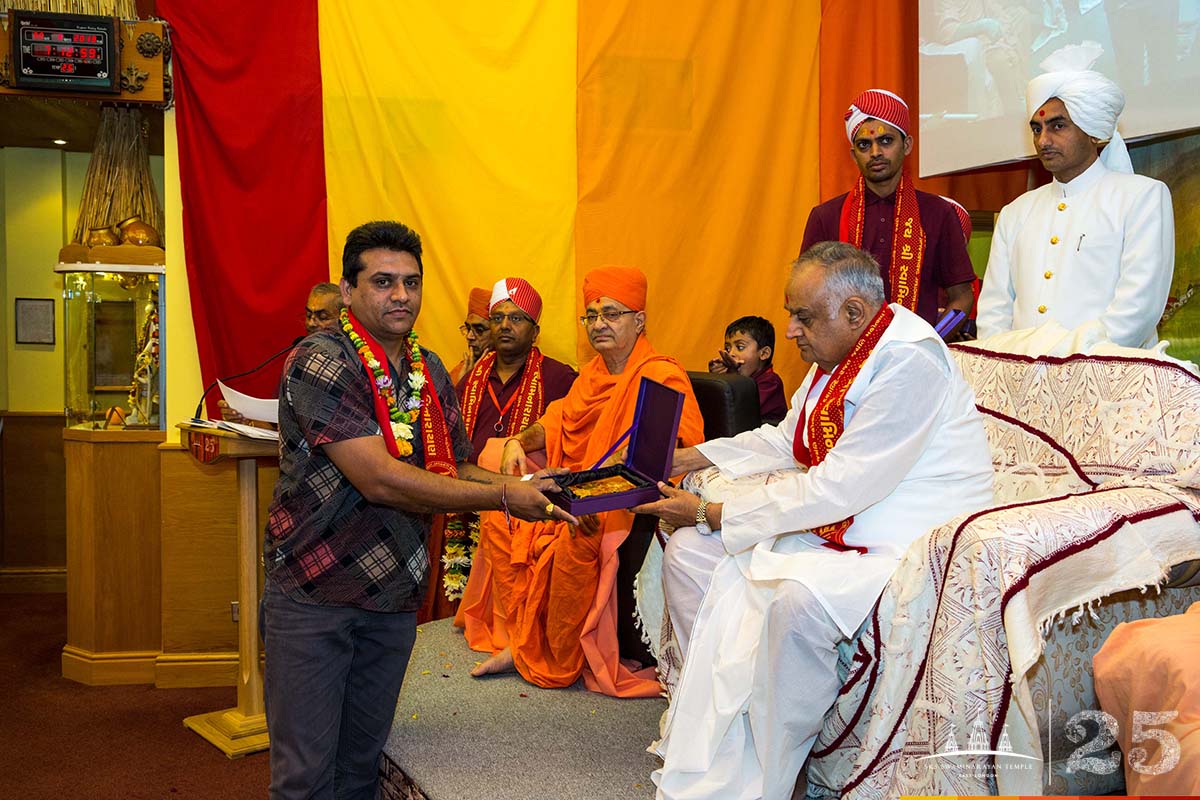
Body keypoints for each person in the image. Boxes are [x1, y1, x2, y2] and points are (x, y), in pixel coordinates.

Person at [634, 242, 994, 800]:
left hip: (900, 531)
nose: (792, 330)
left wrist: (712, 511)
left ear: (853, 313)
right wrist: (694, 458)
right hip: (842, 517)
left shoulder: (907, 358)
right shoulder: (838, 356)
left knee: (796, 605)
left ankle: (781, 773)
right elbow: (785, 440)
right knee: (688, 555)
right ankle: (719, 728)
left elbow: (841, 485)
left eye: (803, 316)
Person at [260, 220, 576, 800]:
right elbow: (380, 479)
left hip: (393, 597)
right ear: (349, 290)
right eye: (383, 282)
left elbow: (452, 464)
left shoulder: (428, 370)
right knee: (304, 776)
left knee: (360, 768)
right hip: (315, 593)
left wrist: (529, 483)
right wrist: (506, 497)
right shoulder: (322, 360)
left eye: (411, 282)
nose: (400, 295)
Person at [467, 265, 705, 698]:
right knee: (501, 509)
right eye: (591, 315)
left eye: (611, 314)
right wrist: (518, 441)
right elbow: (556, 422)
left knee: (575, 535)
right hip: (574, 483)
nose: (599, 324)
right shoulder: (592, 374)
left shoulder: (661, 374)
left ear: (639, 321)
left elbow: (681, 450)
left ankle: (554, 659)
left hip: (619, 501)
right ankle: (521, 641)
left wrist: (605, 477)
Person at [976, 52, 1175, 348]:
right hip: (1022, 382)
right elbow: (994, 311)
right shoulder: (1015, 213)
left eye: (1058, 126)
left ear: (1093, 132)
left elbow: (1136, 311)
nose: (1043, 140)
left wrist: (1067, 364)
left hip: (1107, 379)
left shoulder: (1141, 197)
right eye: (1037, 128)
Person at [424, 277, 575, 620]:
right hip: (470, 495)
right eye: (498, 317)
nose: (505, 325)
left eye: (517, 318)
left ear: (535, 331)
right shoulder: (470, 377)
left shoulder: (559, 377)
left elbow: (568, 440)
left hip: (523, 508)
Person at [800, 89, 977, 328]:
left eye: (886, 141)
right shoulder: (826, 216)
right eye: (864, 144)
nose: (875, 153)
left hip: (915, 359)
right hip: (845, 361)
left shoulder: (938, 213)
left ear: (907, 145)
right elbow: (803, 296)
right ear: (854, 155)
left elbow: (962, 297)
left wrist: (931, 342)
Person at [218, 282, 345, 425]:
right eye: (308, 315)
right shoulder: (298, 360)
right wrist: (245, 421)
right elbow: (276, 424)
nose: (311, 323)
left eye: (322, 317)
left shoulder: (352, 361)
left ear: (343, 319)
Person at [706, 315, 787, 424]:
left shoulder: (770, 381)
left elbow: (738, 412)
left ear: (764, 353)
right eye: (727, 348)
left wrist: (732, 377)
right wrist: (716, 379)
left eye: (740, 347)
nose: (731, 354)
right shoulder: (738, 376)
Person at [449, 287, 493, 384]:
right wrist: (463, 384)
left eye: (479, 330)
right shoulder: (459, 372)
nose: (469, 336)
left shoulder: (513, 373)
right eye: (468, 329)